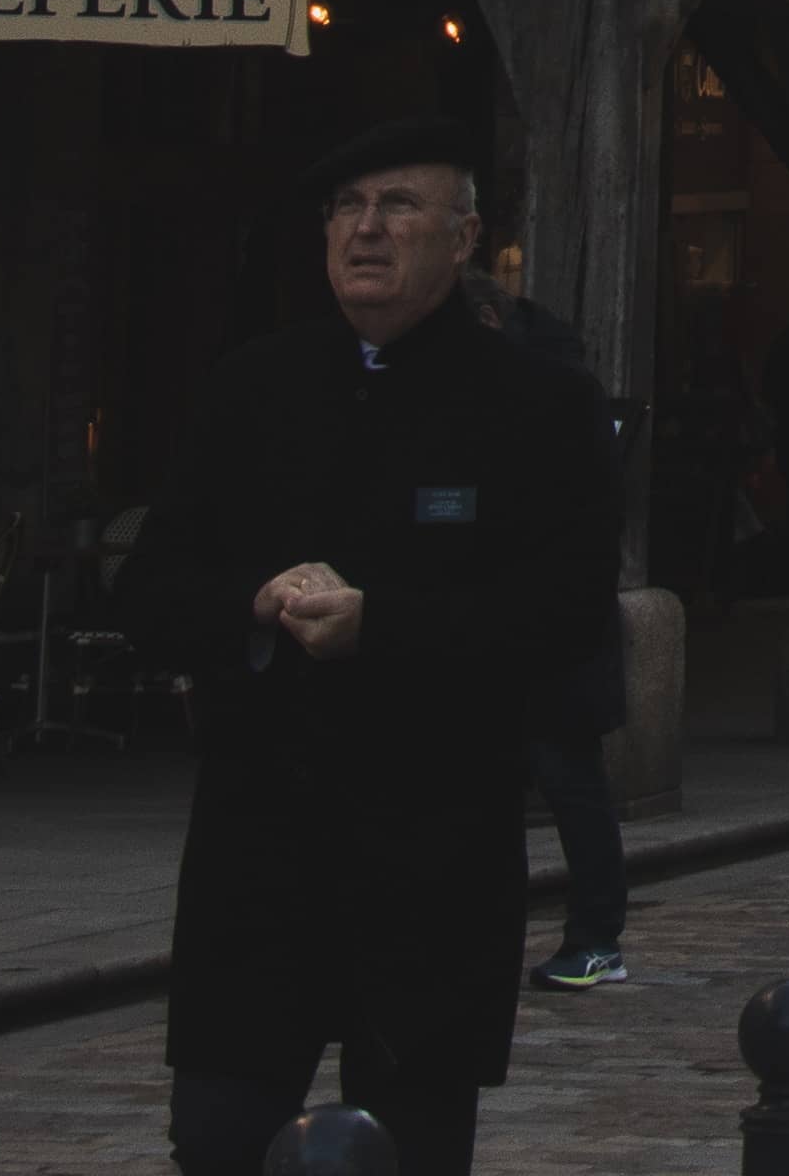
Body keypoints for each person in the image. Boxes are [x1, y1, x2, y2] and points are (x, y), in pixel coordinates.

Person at [130, 120, 619, 1176]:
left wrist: (382, 627)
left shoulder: (536, 405)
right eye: (348, 208)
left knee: (408, 1144)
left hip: (429, 855)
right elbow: (151, 589)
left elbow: (568, 611)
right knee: (216, 1136)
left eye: (399, 206)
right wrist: (252, 604)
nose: (367, 229)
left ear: (464, 236)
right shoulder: (254, 386)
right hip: (260, 849)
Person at [465, 264, 634, 990]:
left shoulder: (558, 390)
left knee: (570, 782)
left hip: (555, 628)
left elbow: (583, 521)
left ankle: (597, 936)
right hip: (483, 623)